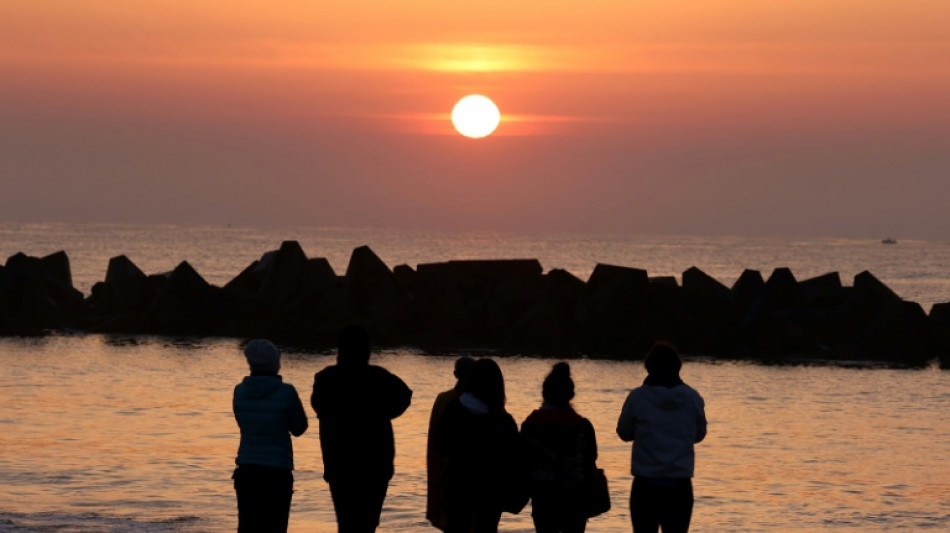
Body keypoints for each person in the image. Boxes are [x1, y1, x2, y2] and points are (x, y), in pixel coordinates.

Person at [311, 324, 413, 533]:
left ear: (340, 349)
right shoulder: (379, 377)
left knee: (346, 522)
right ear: (366, 350)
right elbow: (405, 395)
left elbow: (318, 408)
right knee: (368, 523)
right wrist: (384, 413)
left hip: (339, 464)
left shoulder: (326, 379)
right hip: (375, 465)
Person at [616, 342, 707, 533]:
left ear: (649, 368)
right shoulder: (692, 398)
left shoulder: (637, 397)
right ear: (677, 367)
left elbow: (624, 433)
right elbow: (699, 435)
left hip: (645, 484)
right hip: (680, 484)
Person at [435, 358, 526, 533]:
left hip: (457, 487)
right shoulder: (503, 420)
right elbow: (515, 459)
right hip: (490, 493)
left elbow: (440, 446)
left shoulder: (454, 409)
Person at [232, 339, 309, 533]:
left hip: (247, 469)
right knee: (276, 527)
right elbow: (299, 428)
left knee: (247, 527)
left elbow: (243, 424)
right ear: (276, 363)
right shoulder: (287, 392)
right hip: (277, 472)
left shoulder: (239, 392)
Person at [521, 362, 598, 533]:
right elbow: (590, 461)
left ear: (544, 393)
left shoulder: (530, 426)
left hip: (543, 499)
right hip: (575, 500)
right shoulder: (583, 426)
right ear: (570, 395)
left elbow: (523, 463)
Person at [427, 356, 477, 531]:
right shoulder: (486, 402)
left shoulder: (444, 400)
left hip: (449, 474)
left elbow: (434, 444)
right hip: (464, 476)